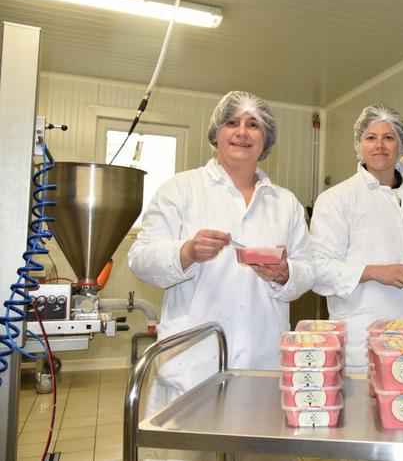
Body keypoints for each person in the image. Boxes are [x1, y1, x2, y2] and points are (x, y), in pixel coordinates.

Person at [128, 91, 314, 419]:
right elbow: (140, 258)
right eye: (232, 122)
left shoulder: (285, 203)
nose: (242, 132)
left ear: (266, 139)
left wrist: (284, 273)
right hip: (192, 364)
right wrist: (185, 252)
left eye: (253, 125)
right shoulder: (181, 189)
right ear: (217, 134)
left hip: (263, 365)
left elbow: (308, 269)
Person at [310, 104, 403, 373]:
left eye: (388, 137)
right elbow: (317, 267)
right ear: (360, 144)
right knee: (365, 412)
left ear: (401, 145)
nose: (379, 146)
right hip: (366, 337)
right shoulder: (337, 199)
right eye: (371, 138)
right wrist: (374, 272)